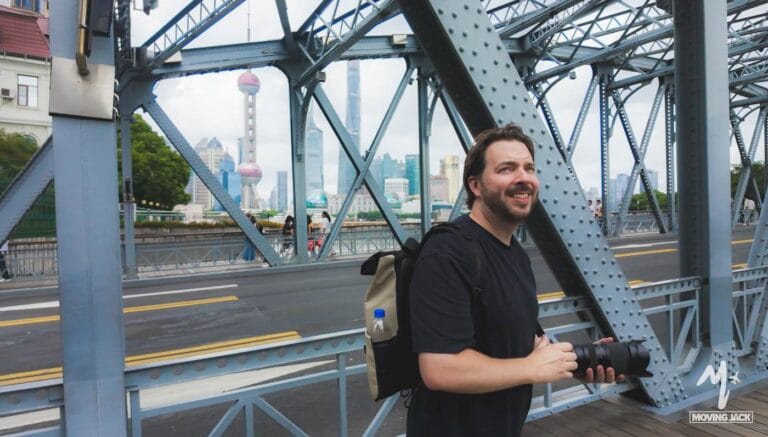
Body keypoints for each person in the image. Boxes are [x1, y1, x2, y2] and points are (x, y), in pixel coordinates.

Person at [407, 123, 622, 436]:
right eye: (506, 169)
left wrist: (577, 361)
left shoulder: (514, 253)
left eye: (529, 168)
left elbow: (527, 342)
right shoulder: (448, 251)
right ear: (476, 186)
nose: (523, 177)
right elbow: (440, 368)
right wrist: (532, 368)